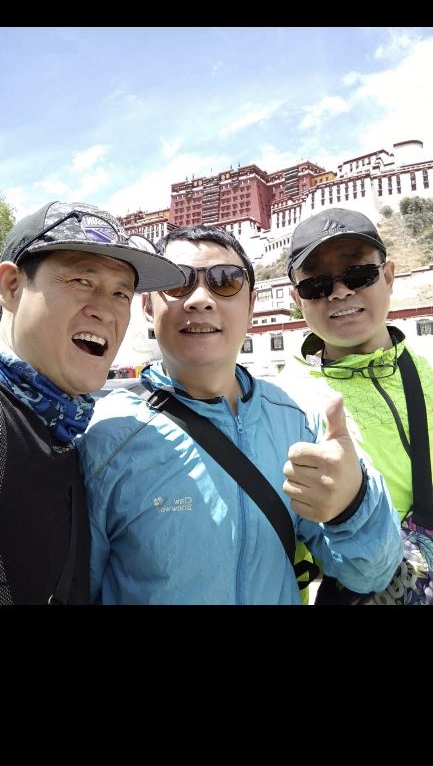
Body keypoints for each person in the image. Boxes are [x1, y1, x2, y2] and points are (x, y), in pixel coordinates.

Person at [79, 224, 402, 605]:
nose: (200, 299)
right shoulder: (105, 437)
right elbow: (76, 588)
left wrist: (353, 502)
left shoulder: (298, 422)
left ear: (251, 306)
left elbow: (368, 574)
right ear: (149, 307)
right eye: (179, 282)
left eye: (225, 281)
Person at [0, 200, 185, 605]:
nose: (105, 310)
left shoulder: (59, 427)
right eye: (82, 280)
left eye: (121, 292)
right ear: (12, 287)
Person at [279, 206, 433, 604]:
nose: (340, 292)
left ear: (389, 276)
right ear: (297, 299)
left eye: (359, 274)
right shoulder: (283, 403)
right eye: (316, 285)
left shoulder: (428, 370)